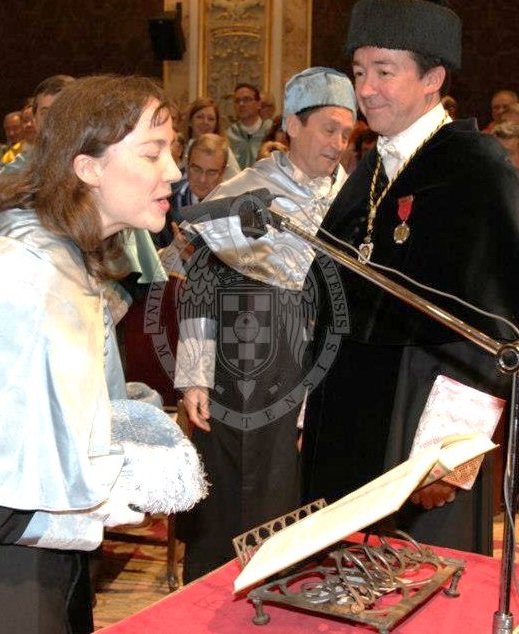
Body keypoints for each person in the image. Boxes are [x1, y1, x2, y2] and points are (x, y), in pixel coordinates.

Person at [0, 74, 206, 633]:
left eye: (173, 151)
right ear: (87, 166)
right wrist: (113, 480)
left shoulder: (64, 255)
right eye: (152, 152)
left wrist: (120, 426)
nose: (173, 171)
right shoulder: (17, 270)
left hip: (38, 551)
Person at [302, 0, 519, 556]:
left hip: (422, 416)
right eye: (358, 73)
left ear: (433, 79)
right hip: (346, 409)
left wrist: (451, 456)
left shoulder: (477, 169)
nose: (366, 89)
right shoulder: (369, 173)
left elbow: (497, 325)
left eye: (384, 72)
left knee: (422, 583)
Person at [175, 66, 356, 583]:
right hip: (247, 370)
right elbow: (201, 287)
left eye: (347, 133)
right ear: (292, 126)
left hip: (329, 368)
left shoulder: (356, 199)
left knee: (312, 497)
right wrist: (194, 375)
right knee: (246, 496)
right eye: (327, 128)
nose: (338, 143)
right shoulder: (244, 190)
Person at [185, 97, 240, 180]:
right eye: (200, 117)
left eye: (211, 119)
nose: (205, 122)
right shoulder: (180, 148)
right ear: (190, 121)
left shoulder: (223, 151)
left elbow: (237, 181)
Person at [225, 83, 271, 169]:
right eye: (237, 101)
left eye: (246, 99)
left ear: (258, 104)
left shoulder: (270, 131)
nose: (241, 104)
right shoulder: (229, 135)